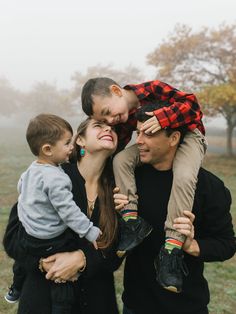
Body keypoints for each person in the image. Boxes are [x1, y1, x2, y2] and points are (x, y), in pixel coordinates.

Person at [81, 77, 207, 292]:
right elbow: (113, 153)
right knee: (122, 161)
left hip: (189, 136)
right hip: (154, 144)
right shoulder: (121, 122)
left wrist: (164, 118)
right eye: (104, 119)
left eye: (107, 111)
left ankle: (171, 248)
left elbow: (193, 107)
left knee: (184, 176)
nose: (111, 120)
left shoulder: (151, 89)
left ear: (116, 90)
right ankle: (132, 223)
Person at [114, 103, 236, 314]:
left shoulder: (209, 187)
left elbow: (226, 244)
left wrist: (192, 245)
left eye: (149, 134)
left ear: (174, 138)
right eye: (138, 132)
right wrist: (117, 217)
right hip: (136, 305)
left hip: (187, 306)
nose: (139, 141)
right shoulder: (130, 181)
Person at [3, 117, 122, 314]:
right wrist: (41, 263)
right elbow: (12, 239)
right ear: (80, 140)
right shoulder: (51, 176)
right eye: (98, 125)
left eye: (112, 128)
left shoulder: (120, 187)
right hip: (43, 298)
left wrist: (84, 259)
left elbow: (120, 247)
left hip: (97, 301)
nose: (108, 129)